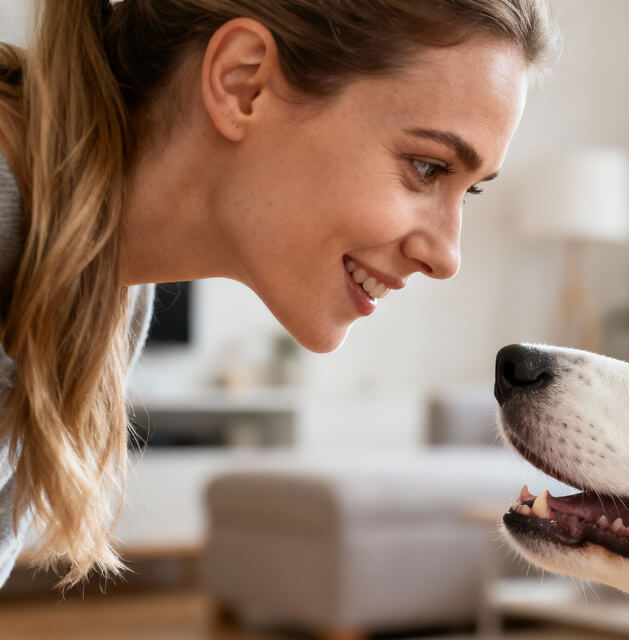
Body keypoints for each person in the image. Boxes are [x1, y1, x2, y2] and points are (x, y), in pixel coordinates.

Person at [0, 0, 557, 587]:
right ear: (243, 84)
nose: (447, 258)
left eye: (467, 193)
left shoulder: (109, 288)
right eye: (427, 167)